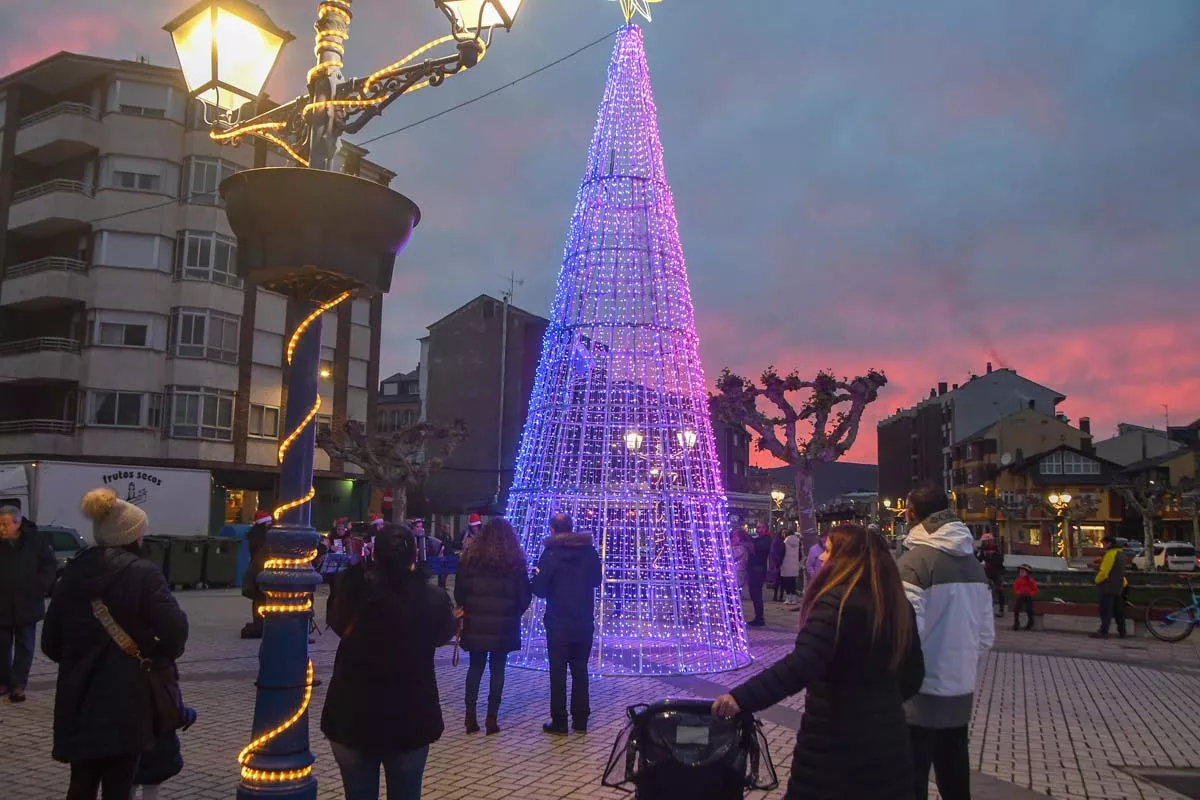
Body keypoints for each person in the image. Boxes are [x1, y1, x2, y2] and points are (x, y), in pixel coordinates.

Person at [712, 523, 925, 799]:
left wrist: (740, 698)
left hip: (836, 750)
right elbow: (915, 674)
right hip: (890, 745)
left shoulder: (836, 602)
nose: (821, 558)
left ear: (846, 558)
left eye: (827, 551)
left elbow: (800, 666)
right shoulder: (896, 603)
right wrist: (880, 703)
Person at [42, 488, 189, 800]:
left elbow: (50, 643)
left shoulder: (71, 574)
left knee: (81, 781)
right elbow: (176, 630)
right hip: (127, 697)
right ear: (131, 536)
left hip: (78, 694)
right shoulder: (142, 573)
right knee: (120, 782)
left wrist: (79, 659)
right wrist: (154, 653)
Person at [322, 523, 457, 800]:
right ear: (413, 558)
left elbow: (336, 623)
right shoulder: (432, 599)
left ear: (375, 555)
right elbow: (443, 633)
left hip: (351, 714)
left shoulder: (353, 593)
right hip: (409, 716)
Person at [896, 482, 995, 800]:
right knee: (955, 777)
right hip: (960, 690)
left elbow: (903, 637)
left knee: (911, 779)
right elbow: (985, 637)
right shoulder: (975, 567)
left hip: (918, 695)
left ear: (911, 513)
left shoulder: (914, 564)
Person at [454, 517, 532, 735]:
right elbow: (525, 595)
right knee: (498, 669)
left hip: (475, 622)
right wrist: (513, 612)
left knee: (475, 667)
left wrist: (467, 608)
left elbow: (459, 592)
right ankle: (492, 718)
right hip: (504, 624)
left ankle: (470, 715)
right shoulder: (514, 561)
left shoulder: (470, 560)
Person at [531, 513, 602, 735]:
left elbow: (540, 590)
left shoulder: (550, 554)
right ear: (571, 529)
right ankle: (581, 720)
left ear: (552, 530)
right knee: (580, 668)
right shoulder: (588, 551)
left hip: (558, 622)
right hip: (582, 620)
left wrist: (536, 577)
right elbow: (596, 581)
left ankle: (559, 721)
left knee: (558, 671)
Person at [0, 505, 55, 703]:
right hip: (2, 604)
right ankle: (3, 681)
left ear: (17, 522)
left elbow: (49, 565)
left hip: (28, 604)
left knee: (25, 646)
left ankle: (18, 685)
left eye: (4, 524)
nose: (1, 529)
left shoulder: (36, 540)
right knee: (2, 646)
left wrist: (39, 587)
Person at [241, 510, 273, 640]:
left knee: (259, 600)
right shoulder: (263, 540)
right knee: (260, 599)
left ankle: (260, 624)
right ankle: (260, 625)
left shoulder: (255, 536)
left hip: (257, 572)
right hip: (260, 571)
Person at [1093, 535, 1127, 639]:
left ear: (1109, 544)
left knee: (1106, 610)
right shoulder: (1121, 553)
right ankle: (1122, 631)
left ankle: (1103, 631)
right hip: (1119, 586)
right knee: (1118, 611)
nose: (1102, 546)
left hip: (1108, 586)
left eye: (1104, 544)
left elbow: (1104, 571)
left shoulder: (1110, 554)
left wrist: (1096, 580)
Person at [744, 523, 772, 627]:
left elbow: (756, 548)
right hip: (755, 569)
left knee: (756, 594)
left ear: (765, 529)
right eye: (757, 527)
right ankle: (758, 617)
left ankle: (760, 618)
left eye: (760, 527)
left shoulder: (766, 540)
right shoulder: (760, 539)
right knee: (754, 594)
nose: (757, 529)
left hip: (758, 570)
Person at [978, 533, 1006, 617]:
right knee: (984, 589)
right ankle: (986, 608)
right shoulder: (983, 549)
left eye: (985, 541)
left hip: (996, 571)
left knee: (999, 589)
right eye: (984, 542)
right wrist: (975, 554)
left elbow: (1000, 560)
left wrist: (992, 559)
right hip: (988, 571)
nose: (984, 543)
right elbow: (980, 559)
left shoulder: (996, 549)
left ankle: (1001, 610)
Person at [1011, 564, 1038, 631]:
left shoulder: (1031, 580)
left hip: (1028, 596)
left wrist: (1031, 594)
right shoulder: (1018, 580)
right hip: (1021, 596)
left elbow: (1035, 590)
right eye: (1020, 571)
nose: (1021, 573)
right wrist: (1019, 593)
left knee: (1029, 609)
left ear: (1027, 573)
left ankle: (1030, 622)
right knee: (1016, 608)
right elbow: (1015, 589)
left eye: (1023, 571)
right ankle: (1016, 623)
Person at [779, 529, 802, 606]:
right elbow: (800, 555)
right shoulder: (798, 542)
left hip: (786, 564)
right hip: (794, 565)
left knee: (787, 582)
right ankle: (794, 599)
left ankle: (788, 599)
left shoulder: (785, 542)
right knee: (793, 582)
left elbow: (782, 553)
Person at [768, 531, 785, 602]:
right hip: (781, 563)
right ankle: (780, 597)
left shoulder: (775, 543)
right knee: (781, 581)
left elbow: (772, 553)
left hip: (777, 563)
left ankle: (775, 596)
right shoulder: (783, 543)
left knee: (777, 581)